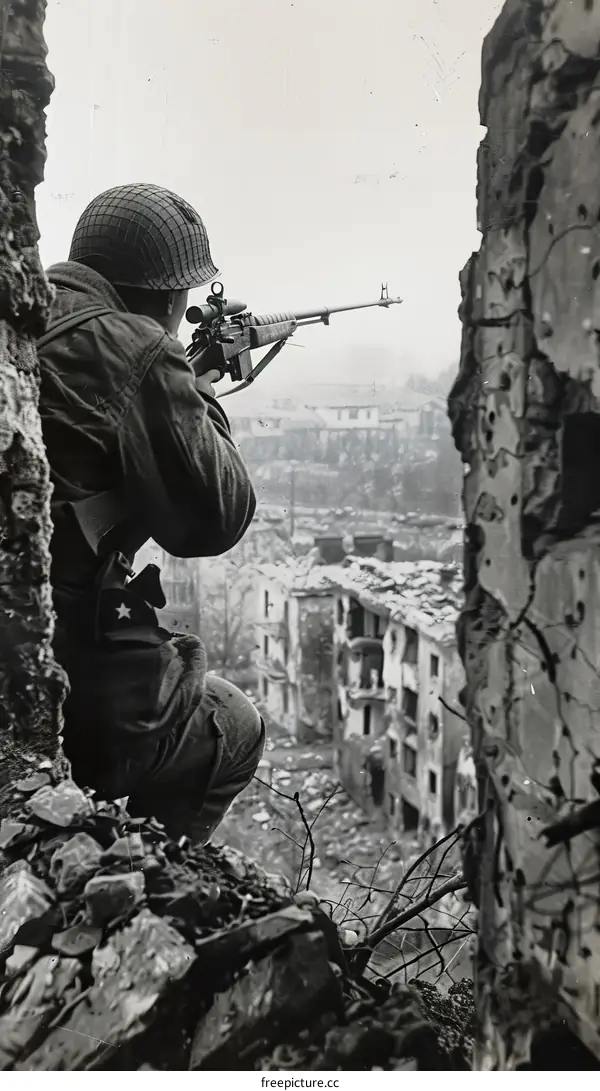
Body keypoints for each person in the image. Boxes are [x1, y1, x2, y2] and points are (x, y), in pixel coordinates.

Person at [37, 182, 265, 844]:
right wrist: (197, 386)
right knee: (234, 722)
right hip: (71, 662)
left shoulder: (32, 309)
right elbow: (216, 519)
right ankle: (144, 871)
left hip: (29, 638)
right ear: (170, 297)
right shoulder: (142, 348)